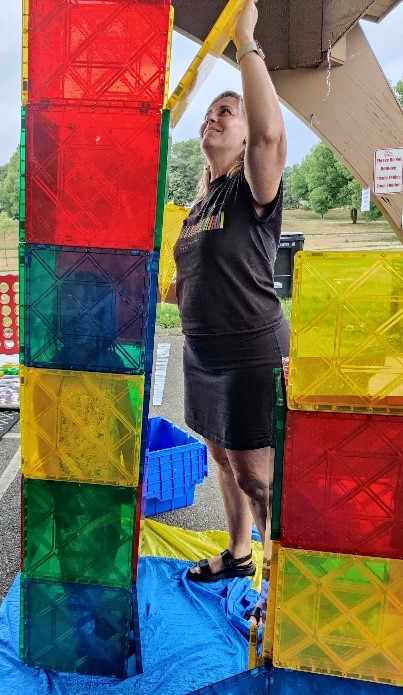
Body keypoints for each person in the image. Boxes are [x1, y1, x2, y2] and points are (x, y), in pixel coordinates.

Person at [173, 0, 289, 610]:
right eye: (211, 112)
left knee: (260, 478)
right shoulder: (200, 203)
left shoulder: (253, 187)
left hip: (249, 352)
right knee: (222, 456)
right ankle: (240, 555)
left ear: (244, 135)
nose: (214, 117)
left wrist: (246, 40)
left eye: (228, 112)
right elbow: (196, 272)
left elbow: (272, 133)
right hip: (201, 353)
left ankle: (286, 583)